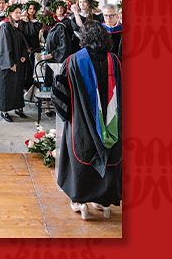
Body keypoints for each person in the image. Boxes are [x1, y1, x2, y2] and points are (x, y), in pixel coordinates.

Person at [51, 21, 122, 220]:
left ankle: (80, 201)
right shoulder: (114, 61)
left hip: (81, 123)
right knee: (107, 156)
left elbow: (59, 92)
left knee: (81, 158)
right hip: (110, 123)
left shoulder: (74, 60)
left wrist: (67, 116)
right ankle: (103, 201)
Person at [0, 2, 29, 122]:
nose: (19, 14)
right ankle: (4, 111)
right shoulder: (5, 26)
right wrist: (10, 63)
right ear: (10, 13)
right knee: (6, 87)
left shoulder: (17, 26)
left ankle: (18, 108)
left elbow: (23, 42)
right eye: (16, 13)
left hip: (17, 61)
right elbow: (5, 47)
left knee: (17, 86)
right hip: (7, 64)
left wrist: (24, 55)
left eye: (20, 12)